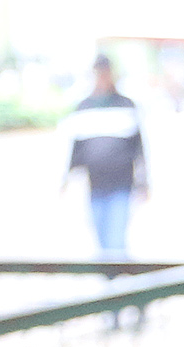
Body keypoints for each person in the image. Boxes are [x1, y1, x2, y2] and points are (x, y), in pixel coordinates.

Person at [61, 54, 148, 322]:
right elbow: (77, 147)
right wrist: (65, 178)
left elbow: (139, 148)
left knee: (117, 247)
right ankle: (112, 310)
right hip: (96, 188)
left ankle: (134, 303)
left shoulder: (126, 105)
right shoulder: (84, 107)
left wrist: (144, 181)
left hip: (121, 186)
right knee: (103, 250)